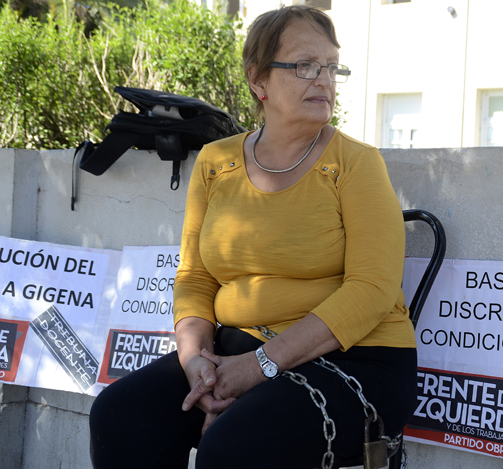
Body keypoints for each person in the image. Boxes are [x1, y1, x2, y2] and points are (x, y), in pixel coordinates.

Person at [89, 5, 417, 469]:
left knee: (236, 446)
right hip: (236, 348)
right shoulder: (214, 162)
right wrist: (196, 365)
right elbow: (195, 278)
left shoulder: (356, 163)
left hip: (357, 358)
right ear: (258, 80)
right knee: (120, 415)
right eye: (304, 65)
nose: (323, 79)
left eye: (331, 67)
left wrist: (258, 367)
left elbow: (373, 290)